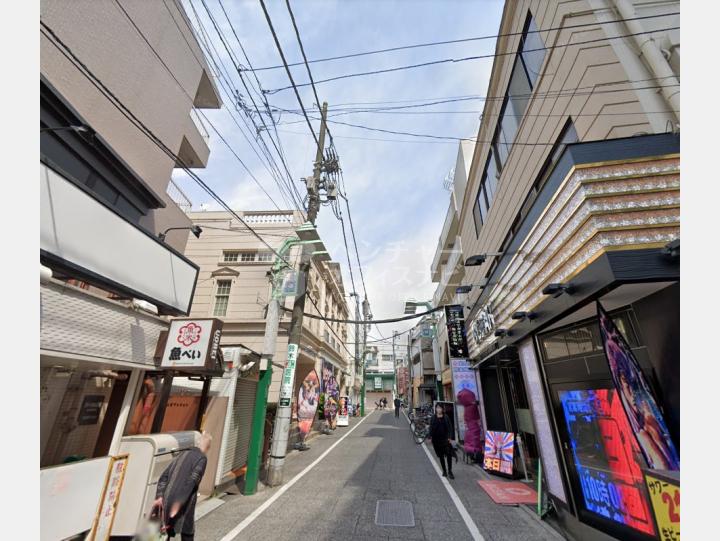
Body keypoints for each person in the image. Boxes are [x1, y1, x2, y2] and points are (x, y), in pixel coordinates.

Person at [152, 432, 212, 540]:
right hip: (183, 502)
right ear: (206, 446)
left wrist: (159, 496)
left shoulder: (182, 454)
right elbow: (192, 481)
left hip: (167, 499)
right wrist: (178, 503)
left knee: (164, 533)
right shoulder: (202, 458)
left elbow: (163, 477)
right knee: (188, 531)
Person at [429, 403, 454, 479]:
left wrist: (449, 437)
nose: (439, 409)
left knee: (449, 455)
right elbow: (431, 428)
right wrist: (430, 437)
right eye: (437, 408)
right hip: (436, 440)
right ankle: (444, 471)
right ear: (435, 409)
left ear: (442, 409)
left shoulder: (446, 417)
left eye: (440, 408)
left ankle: (450, 471)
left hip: (445, 439)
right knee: (441, 456)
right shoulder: (433, 418)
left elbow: (450, 427)